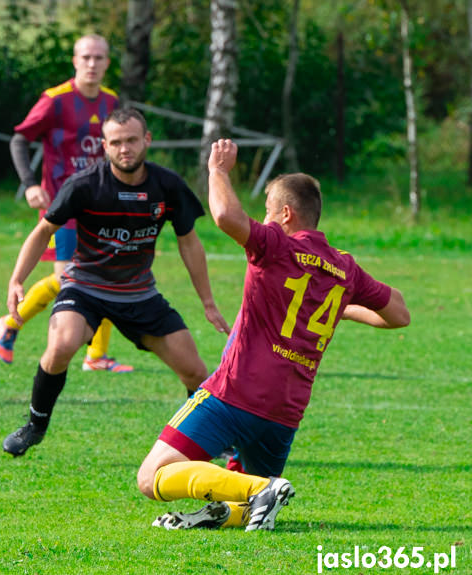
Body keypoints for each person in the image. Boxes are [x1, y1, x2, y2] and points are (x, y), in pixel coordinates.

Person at [137, 139, 410, 531]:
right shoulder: (344, 269)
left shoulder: (277, 245)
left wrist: (217, 170)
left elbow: (226, 215)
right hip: (284, 414)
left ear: (285, 214)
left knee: (151, 478)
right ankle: (234, 504)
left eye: (267, 213)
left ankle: (260, 489)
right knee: (242, 497)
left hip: (235, 394)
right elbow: (399, 313)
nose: (263, 222)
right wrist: (339, 307)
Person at [1, 108, 230, 457]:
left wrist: (208, 303)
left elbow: (189, 242)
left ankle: (202, 439)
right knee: (62, 345)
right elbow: (43, 230)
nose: (126, 149)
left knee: (195, 371)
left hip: (140, 294)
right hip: (85, 288)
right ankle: (35, 425)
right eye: (117, 142)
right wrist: (17, 279)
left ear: (147, 140)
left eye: (132, 141)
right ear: (104, 146)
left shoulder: (167, 185)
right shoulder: (84, 185)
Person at [0, 34, 133, 373]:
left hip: (101, 204)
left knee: (108, 271)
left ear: (106, 64)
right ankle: (11, 322)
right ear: (75, 60)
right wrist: (30, 185)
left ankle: (96, 356)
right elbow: (19, 139)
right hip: (63, 205)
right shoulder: (55, 100)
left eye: (99, 58)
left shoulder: (111, 101)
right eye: (86, 57)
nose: (92, 63)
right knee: (72, 277)